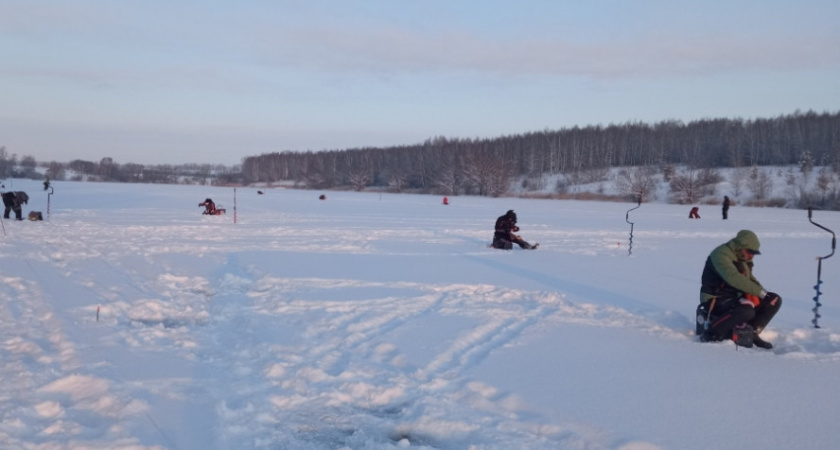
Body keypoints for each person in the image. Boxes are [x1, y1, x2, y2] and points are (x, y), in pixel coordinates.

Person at [697, 230, 781, 349]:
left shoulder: (743, 256)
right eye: (750, 252)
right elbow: (734, 278)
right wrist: (762, 294)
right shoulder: (720, 255)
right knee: (746, 311)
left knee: (774, 301)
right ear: (740, 246)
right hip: (715, 298)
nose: (752, 256)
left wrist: (766, 295)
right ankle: (711, 333)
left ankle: (752, 332)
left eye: (754, 253)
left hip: (735, 296)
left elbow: (749, 279)